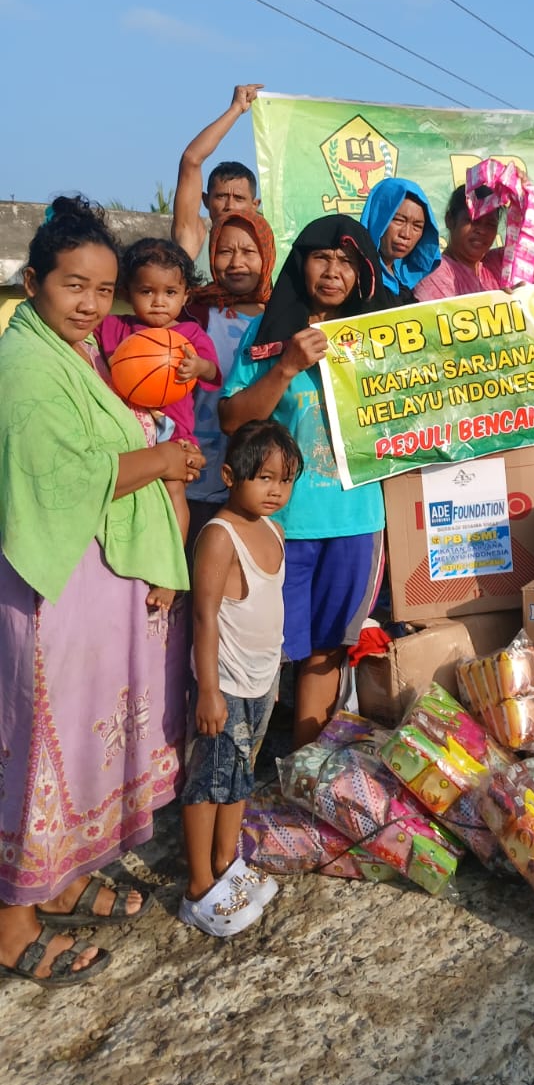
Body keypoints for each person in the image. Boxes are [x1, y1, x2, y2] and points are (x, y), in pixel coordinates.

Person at [0, 197, 200, 986]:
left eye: (102, 289)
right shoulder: (23, 367)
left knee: (80, 742)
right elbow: (61, 478)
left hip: (91, 579)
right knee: (34, 750)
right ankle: (12, 918)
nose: (89, 304)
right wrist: (167, 462)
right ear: (33, 279)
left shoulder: (76, 351)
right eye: (72, 285)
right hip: (46, 588)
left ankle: (62, 879)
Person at [220, 216, 385, 747]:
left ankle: (301, 771)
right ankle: (237, 770)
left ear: (363, 274)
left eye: (347, 262)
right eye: (322, 258)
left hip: (357, 520)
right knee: (266, 650)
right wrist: (286, 366)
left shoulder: (387, 338)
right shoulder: (268, 334)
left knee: (326, 652)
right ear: (301, 265)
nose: (333, 272)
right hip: (282, 523)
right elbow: (232, 420)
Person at [180, 419, 301, 937]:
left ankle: (228, 863)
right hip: (225, 683)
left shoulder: (273, 529)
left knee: (240, 777)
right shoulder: (219, 536)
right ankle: (198, 885)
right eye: (264, 478)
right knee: (207, 782)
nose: (275, 489)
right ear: (230, 475)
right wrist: (209, 691)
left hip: (262, 679)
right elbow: (204, 616)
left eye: (285, 479)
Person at [96, 238, 222, 594]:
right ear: (127, 292)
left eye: (170, 292)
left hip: (174, 433)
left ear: (186, 297)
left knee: (174, 495)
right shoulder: (114, 328)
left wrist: (199, 365)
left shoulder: (191, 334)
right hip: (129, 435)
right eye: (147, 291)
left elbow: (215, 374)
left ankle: (170, 573)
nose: (159, 301)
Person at [185, 211, 276, 549]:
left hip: (254, 482)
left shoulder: (281, 315)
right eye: (225, 251)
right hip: (192, 476)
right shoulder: (194, 311)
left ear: (266, 256)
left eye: (249, 252)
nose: (237, 262)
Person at [172, 83, 264, 263]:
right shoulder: (195, 240)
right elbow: (191, 160)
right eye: (221, 197)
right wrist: (236, 109)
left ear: (255, 204)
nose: (229, 205)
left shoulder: (266, 250)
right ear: (205, 200)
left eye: (239, 198)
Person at [414, 185, 504, 301]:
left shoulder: (497, 264)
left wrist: (525, 193)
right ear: (450, 220)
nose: (481, 230)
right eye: (473, 221)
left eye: (490, 224)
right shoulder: (435, 276)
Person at [361, 177, 441, 299]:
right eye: (398, 220)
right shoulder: (356, 276)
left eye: (417, 226)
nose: (406, 234)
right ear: (377, 218)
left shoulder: (406, 282)